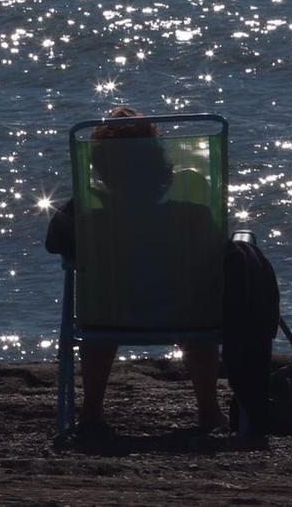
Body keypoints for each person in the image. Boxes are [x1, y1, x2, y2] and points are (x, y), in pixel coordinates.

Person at [45, 106, 224, 442]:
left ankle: (92, 412)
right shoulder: (194, 215)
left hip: (109, 317)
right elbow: (216, 253)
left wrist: (81, 205)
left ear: (100, 172)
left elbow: (54, 244)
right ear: (163, 170)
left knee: (100, 307)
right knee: (198, 304)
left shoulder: (92, 221)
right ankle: (209, 411)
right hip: (186, 316)